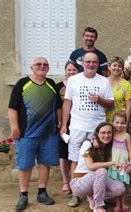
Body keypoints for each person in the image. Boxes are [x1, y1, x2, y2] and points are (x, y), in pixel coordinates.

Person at [60, 52, 114, 207]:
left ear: (98, 64)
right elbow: (67, 103)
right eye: (88, 62)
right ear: (82, 62)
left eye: (94, 62)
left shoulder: (104, 81)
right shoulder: (73, 80)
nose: (91, 64)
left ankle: (94, 193)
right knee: (75, 159)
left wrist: (100, 100)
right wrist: (64, 125)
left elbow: (111, 103)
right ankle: (76, 192)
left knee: (96, 160)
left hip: (96, 129)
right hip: (77, 126)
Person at [9, 57, 62, 210]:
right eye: (38, 64)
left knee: (45, 163)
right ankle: (23, 195)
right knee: (25, 165)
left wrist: (59, 124)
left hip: (49, 133)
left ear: (48, 68)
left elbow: (58, 106)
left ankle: (42, 192)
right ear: (31, 67)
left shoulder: (51, 84)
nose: (42, 66)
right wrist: (14, 127)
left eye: (45, 64)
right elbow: (12, 108)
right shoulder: (22, 84)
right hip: (26, 133)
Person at [70, 122, 126, 212]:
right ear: (97, 134)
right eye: (103, 133)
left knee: (120, 188)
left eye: (109, 132)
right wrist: (112, 162)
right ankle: (98, 206)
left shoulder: (109, 147)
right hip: (79, 184)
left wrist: (123, 166)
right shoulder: (87, 144)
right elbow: (91, 166)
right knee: (102, 171)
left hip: (97, 182)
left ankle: (93, 198)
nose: (106, 135)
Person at [54, 60, 80, 195]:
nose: (71, 72)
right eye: (69, 70)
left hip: (78, 123)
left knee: (75, 155)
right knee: (63, 153)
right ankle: (66, 181)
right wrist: (60, 123)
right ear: (65, 71)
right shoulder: (57, 87)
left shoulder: (81, 84)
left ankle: (76, 181)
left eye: (74, 70)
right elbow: (56, 106)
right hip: (63, 124)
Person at [107, 113, 131, 212]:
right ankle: (117, 204)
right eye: (117, 122)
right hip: (113, 165)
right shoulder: (111, 135)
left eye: (122, 123)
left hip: (123, 165)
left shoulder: (126, 135)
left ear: (125, 124)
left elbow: (130, 150)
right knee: (115, 185)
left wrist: (130, 163)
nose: (119, 125)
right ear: (112, 122)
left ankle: (124, 203)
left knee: (124, 185)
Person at [107, 57, 131, 122]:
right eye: (114, 65)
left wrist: (125, 124)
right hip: (104, 120)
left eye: (119, 66)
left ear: (122, 69)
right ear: (109, 67)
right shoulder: (103, 82)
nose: (117, 68)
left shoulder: (126, 84)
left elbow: (128, 108)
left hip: (119, 122)